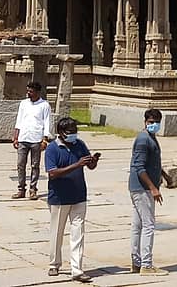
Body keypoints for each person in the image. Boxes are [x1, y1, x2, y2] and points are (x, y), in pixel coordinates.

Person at [45, 117, 98, 283]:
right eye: (70, 132)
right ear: (61, 133)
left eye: (75, 132)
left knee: (78, 232)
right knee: (57, 232)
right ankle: (54, 263)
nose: (74, 135)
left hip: (79, 195)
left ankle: (77, 269)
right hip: (59, 197)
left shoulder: (80, 145)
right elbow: (52, 173)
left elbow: (89, 165)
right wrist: (77, 165)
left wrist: (93, 161)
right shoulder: (52, 149)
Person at [129, 109, 167, 276]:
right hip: (143, 188)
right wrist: (153, 188)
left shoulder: (150, 138)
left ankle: (136, 262)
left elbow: (152, 162)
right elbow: (139, 167)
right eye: (151, 121)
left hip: (140, 187)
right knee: (149, 225)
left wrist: (164, 174)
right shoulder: (144, 139)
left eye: (157, 121)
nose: (154, 124)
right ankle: (146, 264)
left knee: (137, 225)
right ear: (145, 121)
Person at [12, 81, 51, 200]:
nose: (28, 93)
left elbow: (47, 122)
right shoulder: (23, 103)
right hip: (23, 137)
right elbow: (19, 120)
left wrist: (45, 139)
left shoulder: (44, 105)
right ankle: (21, 189)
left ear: (37, 92)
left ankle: (33, 189)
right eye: (28, 90)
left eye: (31, 91)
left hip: (36, 138)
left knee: (35, 165)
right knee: (20, 164)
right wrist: (16, 136)